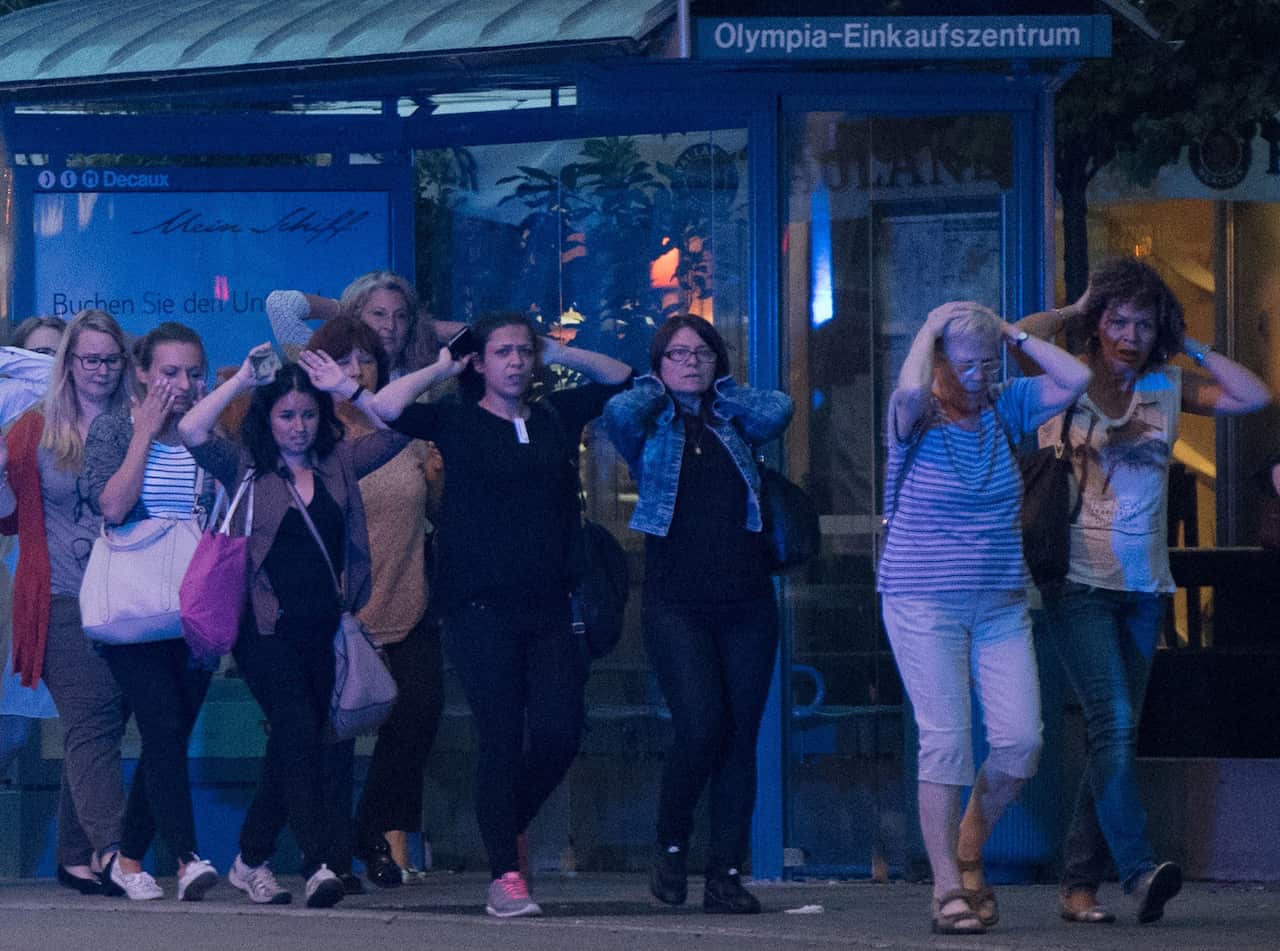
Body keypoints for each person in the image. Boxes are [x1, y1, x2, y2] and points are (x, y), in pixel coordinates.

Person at [302, 311, 632, 917]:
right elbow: (390, 408)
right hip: (479, 611)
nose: (515, 361)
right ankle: (504, 876)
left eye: (522, 352)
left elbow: (621, 377)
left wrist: (558, 350)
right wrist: (442, 366)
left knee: (560, 733)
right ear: (479, 363)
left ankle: (499, 824)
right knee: (501, 739)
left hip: (552, 608)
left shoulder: (555, 415)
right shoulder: (453, 418)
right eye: (501, 352)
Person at [1018, 258, 1270, 925]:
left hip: (1144, 587)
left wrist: (1188, 342)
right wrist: (1077, 307)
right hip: (1076, 582)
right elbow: (1017, 333)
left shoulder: (1163, 386)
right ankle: (1136, 869)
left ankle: (1078, 884)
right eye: (1118, 319)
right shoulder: (1060, 383)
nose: (1130, 333)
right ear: (1098, 325)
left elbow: (1254, 395)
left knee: (1114, 734)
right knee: (1115, 722)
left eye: (1144, 320)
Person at [877, 301, 1091, 935]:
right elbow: (911, 386)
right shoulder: (913, 417)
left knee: (1022, 742)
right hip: (922, 599)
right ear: (940, 361)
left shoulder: (1007, 404)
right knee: (945, 740)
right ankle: (947, 888)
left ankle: (971, 842)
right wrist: (927, 325)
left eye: (987, 363)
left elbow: (1075, 379)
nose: (978, 375)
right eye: (965, 364)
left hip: (999, 600)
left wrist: (1011, 332)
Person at [178, 352, 406, 909]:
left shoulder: (341, 463)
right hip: (262, 629)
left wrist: (348, 389)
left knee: (294, 742)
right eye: (286, 415)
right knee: (298, 727)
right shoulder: (245, 467)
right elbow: (190, 428)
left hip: (325, 628)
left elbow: (400, 426)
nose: (299, 426)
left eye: (307, 414)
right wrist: (246, 381)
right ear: (267, 418)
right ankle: (320, 863)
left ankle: (250, 859)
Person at [601, 315, 793, 914]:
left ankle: (726, 874)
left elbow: (779, 408)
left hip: (747, 601)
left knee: (739, 739)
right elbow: (617, 416)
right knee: (701, 725)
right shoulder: (650, 423)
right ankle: (672, 841)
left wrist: (720, 388)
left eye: (703, 353)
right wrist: (662, 386)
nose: (691, 362)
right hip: (675, 602)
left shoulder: (735, 418)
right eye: (677, 354)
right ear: (657, 363)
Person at [304, 317, 446, 888]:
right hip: (336, 610)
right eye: (342, 359)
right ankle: (333, 854)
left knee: (417, 716)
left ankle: (371, 830)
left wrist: (438, 477)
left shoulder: (405, 430)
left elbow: (438, 515)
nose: (355, 370)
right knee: (334, 737)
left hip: (409, 596)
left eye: (366, 360)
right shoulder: (308, 432)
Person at [84, 321, 220, 901]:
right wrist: (144, 433)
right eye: (168, 373)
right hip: (133, 607)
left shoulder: (208, 433)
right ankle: (188, 857)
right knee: (161, 725)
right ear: (142, 374)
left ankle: (130, 858)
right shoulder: (115, 428)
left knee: (170, 734)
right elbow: (112, 506)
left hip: (195, 604)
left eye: (193, 373)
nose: (182, 385)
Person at [0, 310, 131, 896]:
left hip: (131, 597)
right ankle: (114, 851)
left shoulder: (138, 421)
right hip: (58, 597)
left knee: (104, 721)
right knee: (91, 719)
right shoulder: (30, 429)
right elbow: (7, 518)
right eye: (89, 359)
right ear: (68, 365)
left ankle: (74, 857)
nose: (100, 370)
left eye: (110, 359)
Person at [0, 316, 66, 784]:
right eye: (33, 356)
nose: (41, 368)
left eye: (54, 356)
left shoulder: (87, 415)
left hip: (63, 574)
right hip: (12, 572)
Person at [267, 270, 463, 379]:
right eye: (378, 314)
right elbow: (279, 304)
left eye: (401, 316)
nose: (390, 325)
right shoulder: (324, 364)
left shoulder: (425, 374)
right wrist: (347, 315)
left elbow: (477, 336)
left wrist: (425, 327)